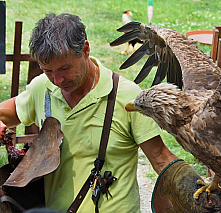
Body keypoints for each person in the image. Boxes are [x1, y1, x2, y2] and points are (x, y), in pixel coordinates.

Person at [0, 13, 178, 212]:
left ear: (85, 49)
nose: (57, 80)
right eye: (47, 71)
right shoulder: (42, 88)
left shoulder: (126, 97)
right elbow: (6, 113)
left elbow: (161, 158)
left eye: (64, 68)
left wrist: (192, 192)